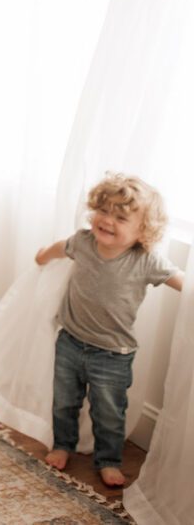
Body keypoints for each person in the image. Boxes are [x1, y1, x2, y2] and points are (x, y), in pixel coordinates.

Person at [34, 173, 184, 488]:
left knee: (109, 412)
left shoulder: (145, 261)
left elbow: (178, 278)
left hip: (113, 354)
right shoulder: (84, 242)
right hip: (70, 342)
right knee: (64, 401)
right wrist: (43, 255)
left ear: (143, 228)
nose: (107, 220)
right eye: (104, 211)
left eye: (120, 216)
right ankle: (63, 444)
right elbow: (62, 247)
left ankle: (109, 460)